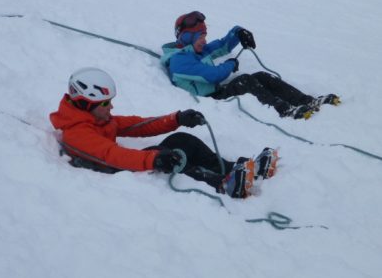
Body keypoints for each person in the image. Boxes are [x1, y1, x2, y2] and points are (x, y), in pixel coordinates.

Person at [49, 67, 279, 198]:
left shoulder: (96, 118)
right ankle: (223, 184)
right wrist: (155, 159)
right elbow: (113, 155)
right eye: (105, 103)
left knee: (181, 140)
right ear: (86, 103)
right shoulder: (77, 132)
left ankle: (239, 170)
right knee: (171, 156)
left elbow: (138, 125)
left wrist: (177, 119)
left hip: (122, 163)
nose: (111, 107)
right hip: (113, 175)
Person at [160, 11, 340, 119]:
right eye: (200, 37)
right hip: (207, 102)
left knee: (260, 76)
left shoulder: (197, 50)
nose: (204, 40)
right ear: (187, 38)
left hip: (216, 92)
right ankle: (285, 110)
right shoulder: (179, 61)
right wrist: (230, 64)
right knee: (244, 80)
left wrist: (238, 32)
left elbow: (222, 45)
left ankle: (305, 101)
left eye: (204, 35)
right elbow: (212, 75)